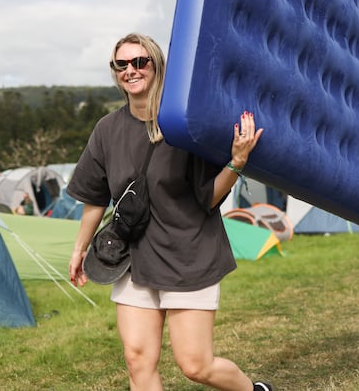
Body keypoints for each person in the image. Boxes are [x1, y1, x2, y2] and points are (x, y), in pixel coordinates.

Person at [66, 33, 273, 391]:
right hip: (133, 257)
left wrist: (237, 162)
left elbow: (208, 197)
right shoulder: (107, 130)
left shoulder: (183, 124)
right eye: (122, 64)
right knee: (137, 359)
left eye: (140, 62)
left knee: (195, 364)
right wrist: (79, 249)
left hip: (187, 253)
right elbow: (95, 197)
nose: (131, 70)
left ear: (157, 65)